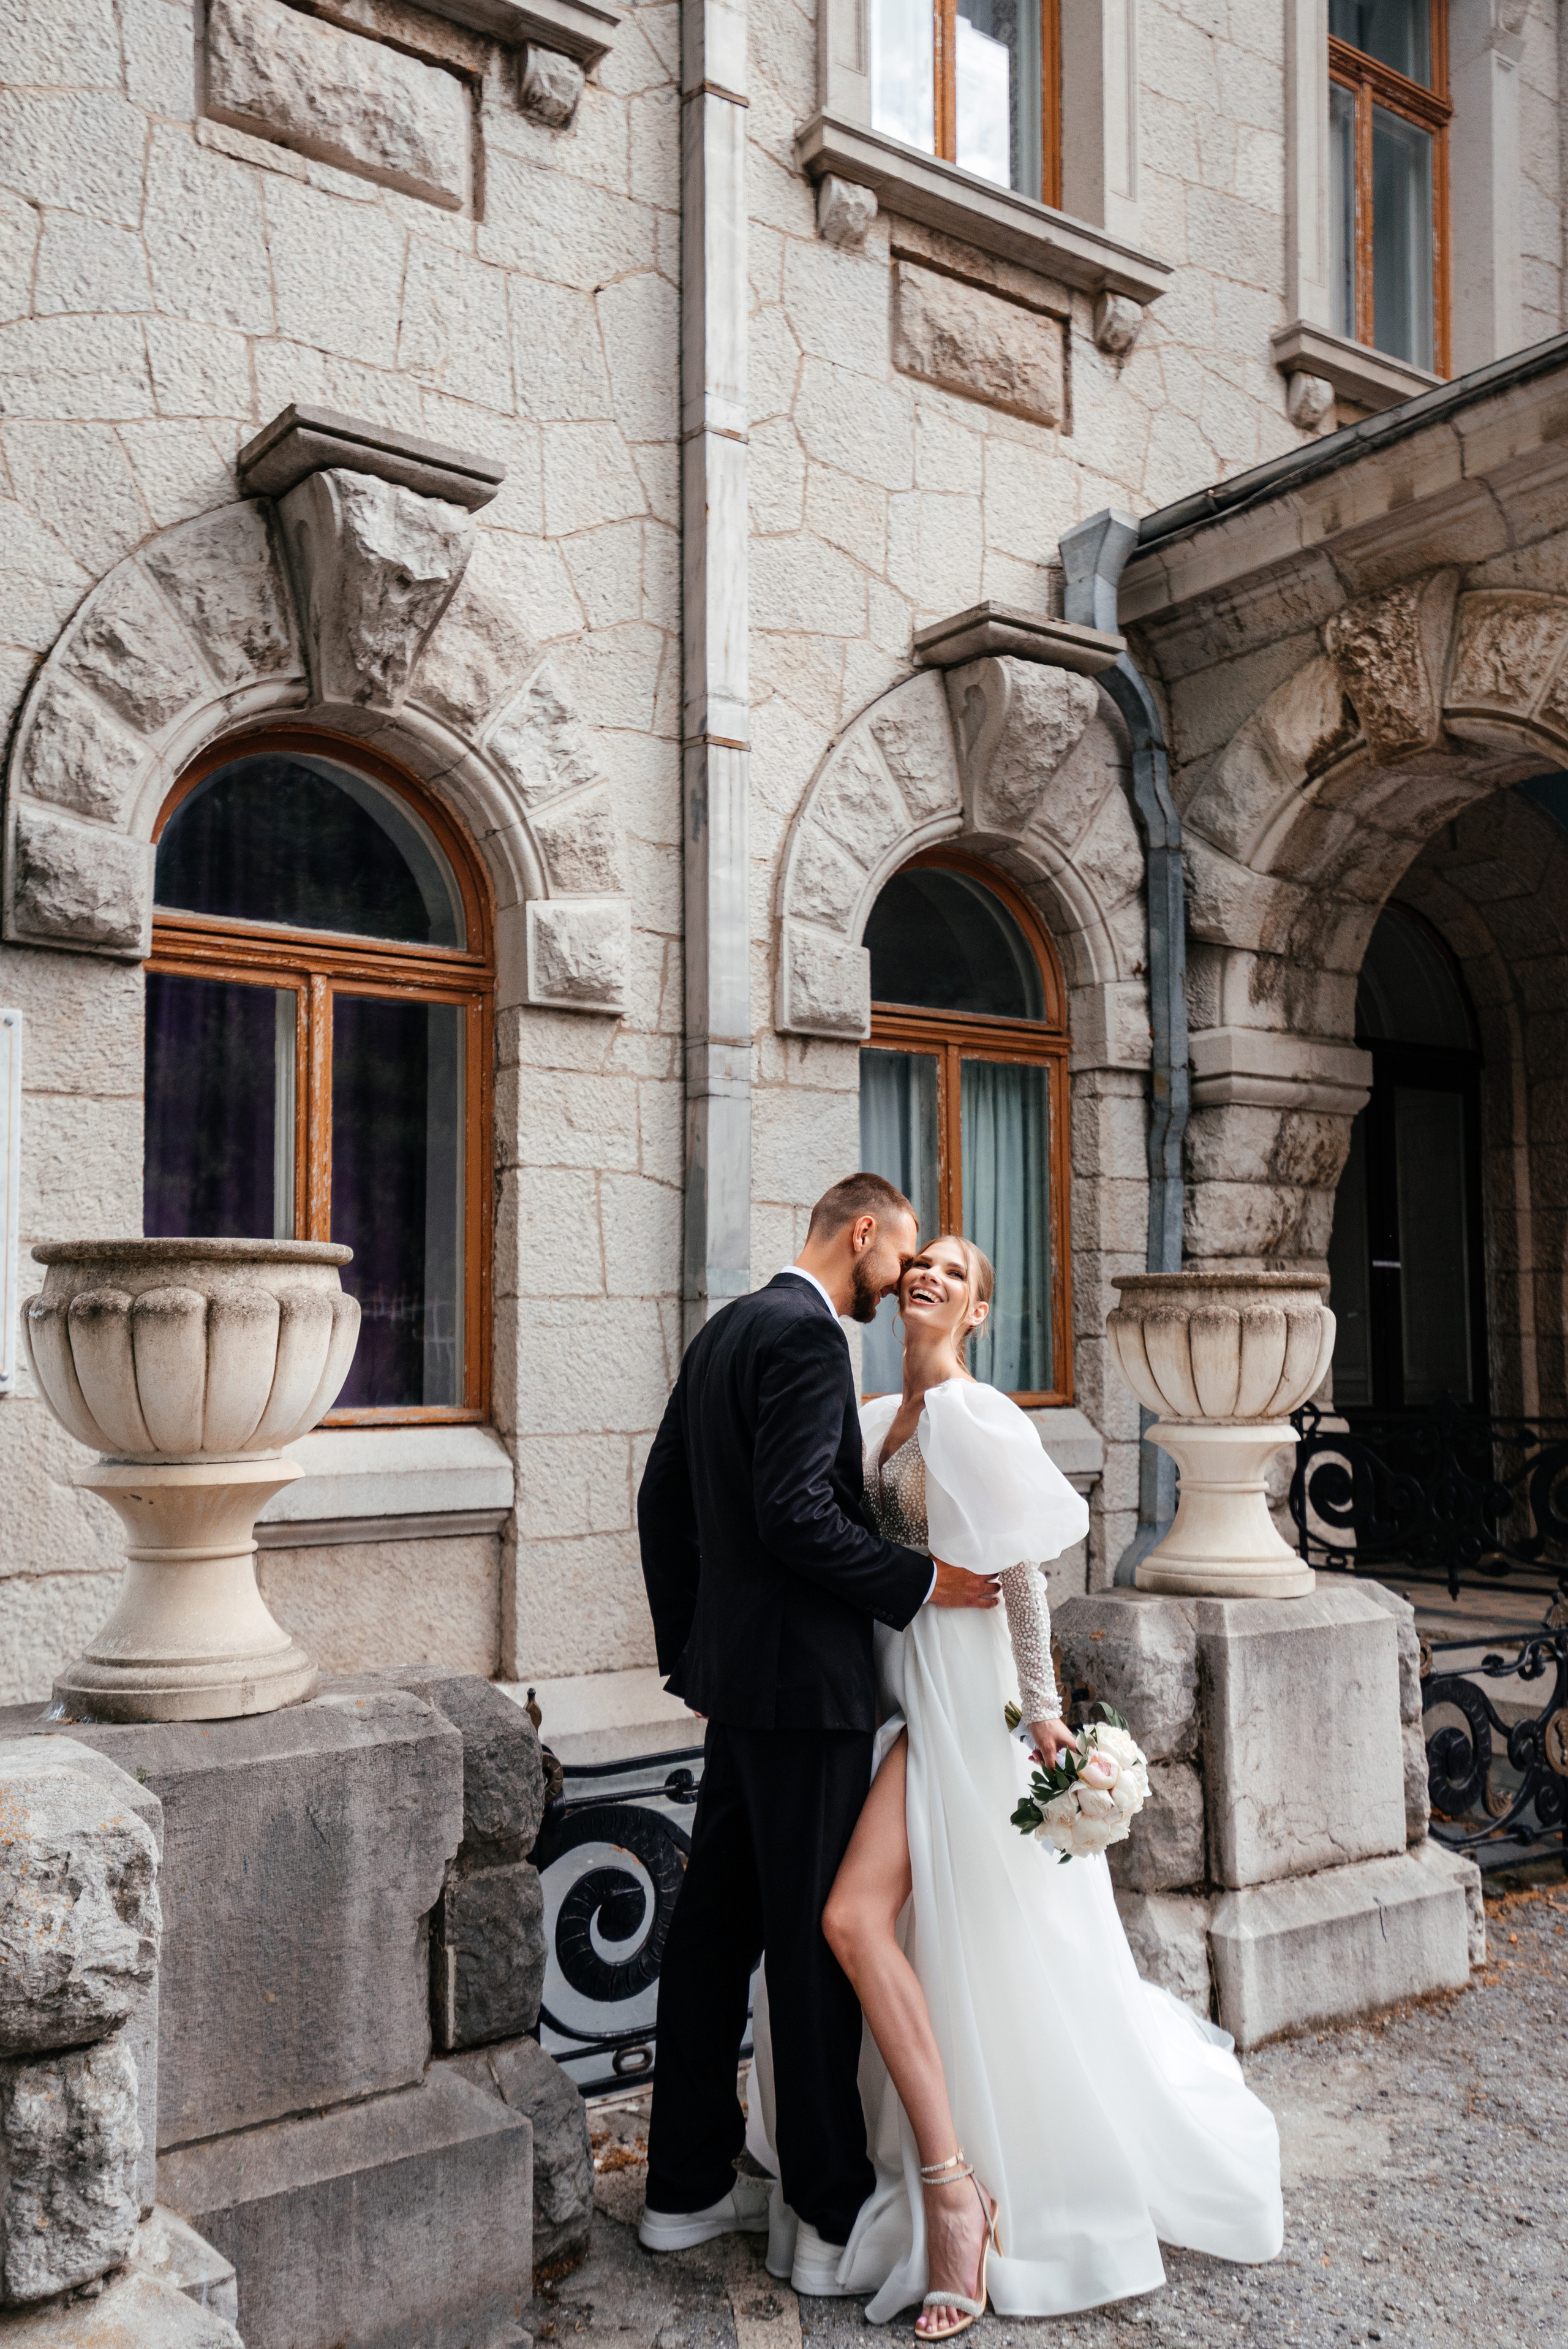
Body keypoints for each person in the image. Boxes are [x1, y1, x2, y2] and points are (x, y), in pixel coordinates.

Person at [750, 1232, 1283, 2332]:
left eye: (956, 1271)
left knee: (857, 1918)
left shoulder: (976, 1413)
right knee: (915, 1934)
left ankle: (958, 2194)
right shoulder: (873, 1416)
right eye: (922, 1263)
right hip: (898, 1692)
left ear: (978, 1311)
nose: (929, 1275)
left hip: (969, 1699)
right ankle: (938, 2168)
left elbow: (1024, 1576)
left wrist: (1042, 1712)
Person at [635, 1175, 1004, 2292]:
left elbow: (661, 1498)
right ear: (863, 1232)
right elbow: (797, 1513)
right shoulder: (805, 1337)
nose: (902, 1280)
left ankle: (682, 2189)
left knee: (713, 1938)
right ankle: (828, 2218)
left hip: (745, 1692)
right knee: (810, 1949)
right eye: (901, 1254)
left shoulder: (725, 1330)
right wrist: (922, 1581)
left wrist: (695, 1656)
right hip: (808, 1696)